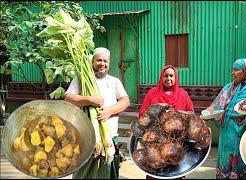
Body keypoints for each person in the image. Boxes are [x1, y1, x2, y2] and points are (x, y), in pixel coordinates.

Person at [64, 47, 130, 179]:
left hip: (110, 136)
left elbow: (125, 101)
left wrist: (110, 111)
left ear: (109, 63)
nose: (102, 64)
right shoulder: (81, 79)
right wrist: (90, 100)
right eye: (99, 60)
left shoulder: (114, 81)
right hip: (86, 136)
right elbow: (68, 98)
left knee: (109, 173)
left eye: (105, 61)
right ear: (92, 62)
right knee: (84, 173)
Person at [202, 58, 246, 179]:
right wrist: (207, 112)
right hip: (226, 134)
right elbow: (215, 105)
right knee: (226, 161)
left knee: (241, 163)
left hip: (244, 136)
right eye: (232, 69)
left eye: (236, 70)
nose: (232, 72)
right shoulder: (228, 88)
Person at [139, 65, 194, 179]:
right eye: (166, 76)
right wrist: (157, 110)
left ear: (175, 78)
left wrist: (177, 114)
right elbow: (142, 113)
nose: (168, 78)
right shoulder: (153, 93)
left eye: (171, 76)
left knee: (175, 172)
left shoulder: (182, 94)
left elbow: (191, 113)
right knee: (155, 171)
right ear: (161, 77)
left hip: (177, 142)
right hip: (155, 141)